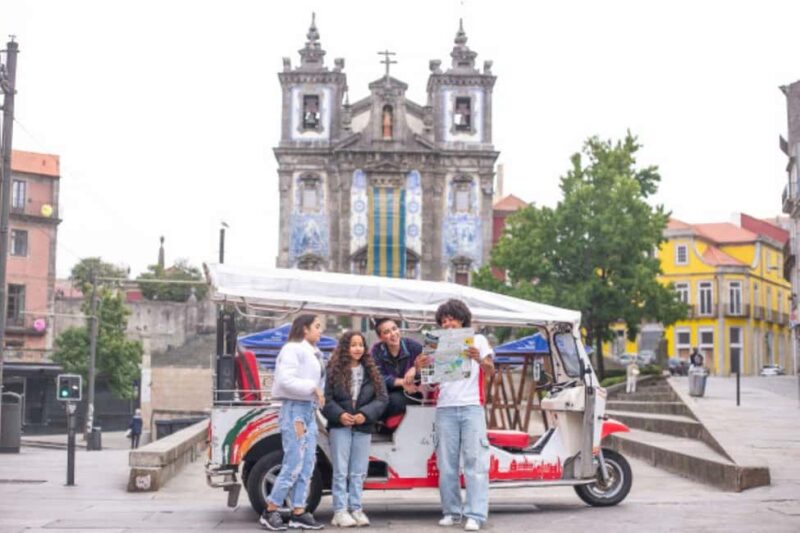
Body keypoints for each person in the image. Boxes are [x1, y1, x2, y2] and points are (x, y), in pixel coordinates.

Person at [412, 299, 494, 532]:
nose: (448, 324)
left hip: (471, 406)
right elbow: (428, 382)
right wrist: (419, 367)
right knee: (446, 464)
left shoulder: (478, 340)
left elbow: (491, 370)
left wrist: (479, 358)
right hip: (445, 408)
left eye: (451, 319)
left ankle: (475, 514)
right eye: (444, 321)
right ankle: (451, 512)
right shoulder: (434, 342)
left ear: (462, 319)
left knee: (475, 462)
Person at [260, 314, 326, 531]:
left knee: (307, 464)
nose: (320, 330)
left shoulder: (313, 351)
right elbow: (284, 380)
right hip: (295, 410)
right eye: (317, 326)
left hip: (308, 410)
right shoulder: (292, 349)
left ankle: (299, 511)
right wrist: (313, 388)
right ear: (305, 329)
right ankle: (270, 510)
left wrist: (317, 392)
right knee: (294, 462)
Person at [322, 331, 388, 528]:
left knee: (358, 471)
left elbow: (382, 399)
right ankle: (339, 511)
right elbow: (326, 400)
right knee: (340, 471)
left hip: (363, 426)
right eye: (353, 345)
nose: (358, 348)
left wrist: (365, 414)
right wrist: (340, 415)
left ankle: (356, 509)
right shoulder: (334, 370)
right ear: (345, 348)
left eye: (360, 344)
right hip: (339, 426)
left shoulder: (372, 371)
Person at [370, 318, 423, 426]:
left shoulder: (413, 346)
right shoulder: (376, 351)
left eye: (394, 329)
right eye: (387, 332)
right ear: (380, 337)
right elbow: (376, 376)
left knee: (393, 401)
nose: (393, 334)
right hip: (386, 391)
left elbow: (430, 364)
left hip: (412, 392)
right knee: (373, 398)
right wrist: (403, 382)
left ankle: (385, 423)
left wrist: (415, 369)